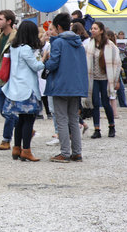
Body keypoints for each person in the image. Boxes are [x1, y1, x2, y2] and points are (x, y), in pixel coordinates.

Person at [43, 13, 88, 163]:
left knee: (61, 119)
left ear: (59, 27)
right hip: (76, 86)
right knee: (74, 119)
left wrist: (45, 63)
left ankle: (64, 153)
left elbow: (53, 63)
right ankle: (77, 152)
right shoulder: (79, 43)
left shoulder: (58, 43)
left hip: (61, 85)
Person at [2, 21, 44, 162]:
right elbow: (36, 66)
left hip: (16, 88)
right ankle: (26, 150)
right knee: (29, 120)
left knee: (20, 120)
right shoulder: (26, 48)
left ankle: (16, 148)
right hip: (27, 89)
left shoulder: (14, 47)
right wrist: (44, 59)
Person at [85, 22, 121, 139]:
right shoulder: (89, 44)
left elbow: (117, 62)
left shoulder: (110, 45)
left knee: (106, 103)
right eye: (92, 28)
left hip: (105, 78)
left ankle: (111, 126)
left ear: (101, 31)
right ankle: (97, 129)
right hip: (93, 78)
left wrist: (116, 79)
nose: (92, 30)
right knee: (95, 103)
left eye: (95, 28)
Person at [0, 10, 18, 150]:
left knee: (8, 111)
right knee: (3, 111)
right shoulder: (1, 36)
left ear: (9, 21)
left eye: (1, 19)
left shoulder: (15, 37)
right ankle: (25, 127)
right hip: (1, 77)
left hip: (11, 78)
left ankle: (6, 139)